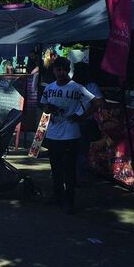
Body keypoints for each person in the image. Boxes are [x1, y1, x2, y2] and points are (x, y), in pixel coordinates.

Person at [41, 57, 100, 214]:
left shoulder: (77, 87)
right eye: (57, 69)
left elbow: (96, 102)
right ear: (53, 70)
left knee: (69, 169)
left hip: (71, 134)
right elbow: (44, 106)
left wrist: (81, 117)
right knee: (56, 168)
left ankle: (69, 201)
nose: (60, 72)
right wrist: (49, 108)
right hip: (53, 133)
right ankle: (57, 196)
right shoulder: (49, 87)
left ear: (68, 70)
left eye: (63, 69)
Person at [71, 62, 104, 185]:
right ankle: (80, 178)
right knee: (82, 151)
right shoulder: (91, 86)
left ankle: (69, 176)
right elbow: (99, 102)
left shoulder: (69, 85)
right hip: (85, 121)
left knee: (71, 149)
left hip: (71, 121)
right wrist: (86, 115)